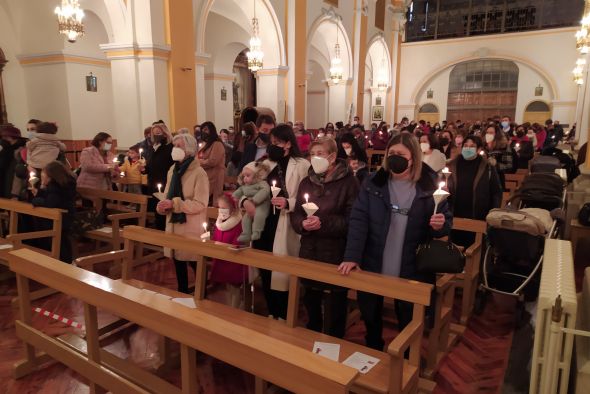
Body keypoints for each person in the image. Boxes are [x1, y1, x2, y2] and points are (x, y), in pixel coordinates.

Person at [338, 133, 452, 350]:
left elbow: (444, 221)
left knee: (408, 316)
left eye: (401, 154)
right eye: (391, 154)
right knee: (371, 312)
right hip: (375, 257)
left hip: (411, 262)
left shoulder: (430, 186)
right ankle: (373, 346)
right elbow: (359, 219)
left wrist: (439, 225)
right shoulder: (373, 182)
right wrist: (352, 256)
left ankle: (407, 357)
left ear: (413, 157)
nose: (394, 158)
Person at [291, 138, 359, 337]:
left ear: (332, 156)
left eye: (320, 153)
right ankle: (312, 337)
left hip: (335, 253)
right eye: (312, 154)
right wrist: (302, 224)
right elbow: (296, 213)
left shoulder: (349, 183)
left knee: (334, 306)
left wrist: (323, 223)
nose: (315, 158)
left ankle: (334, 343)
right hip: (309, 250)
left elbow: (352, 220)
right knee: (310, 301)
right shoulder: (307, 182)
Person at [243, 124, 310, 320]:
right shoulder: (265, 163)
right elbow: (245, 184)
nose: (272, 146)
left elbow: (308, 197)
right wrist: (245, 201)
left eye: (277, 142)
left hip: (285, 222)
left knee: (281, 271)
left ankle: (284, 314)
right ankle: (272, 311)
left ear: (288, 143)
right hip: (264, 222)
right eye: (271, 142)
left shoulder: (302, 165)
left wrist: (288, 202)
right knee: (265, 266)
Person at [156, 134, 209, 294]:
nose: (175, 149)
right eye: (174, 145)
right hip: (173, 223)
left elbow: (201, 204)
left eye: (179, 146)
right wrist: (163, 205)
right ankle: (182, 294)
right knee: (177, 261)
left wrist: (175, 204)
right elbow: (167, 195)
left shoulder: (199, 173)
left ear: (190, 150)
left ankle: (202, 295)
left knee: (194, 261)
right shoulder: (173, 170)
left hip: (190, 225)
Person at [446, 135, 502, 247]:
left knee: (475, 247)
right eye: (465, 146)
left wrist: (492, 213)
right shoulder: (451, 165)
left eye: (472, 146)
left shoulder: (487, 167)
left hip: (479, 215)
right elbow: (443, 186)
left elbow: (496, 192)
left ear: (479, 149)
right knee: (453, 247)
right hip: (454, 213)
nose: (467, 148)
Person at [30, 161, 76, 263]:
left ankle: (65, 264)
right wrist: (40, 191)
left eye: (44, 175)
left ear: (51, 176)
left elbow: (50, 203)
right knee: (63, 241)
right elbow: (51, 198)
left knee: (61, 243)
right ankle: (66, 263)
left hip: (61, 219)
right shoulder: (62, 183)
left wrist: (36, 200)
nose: (42, 177)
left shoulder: (55, 186)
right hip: (64, 217)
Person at [209, 193, 247, 308]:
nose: (221, 210)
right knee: (227, 286)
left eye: (224, 208)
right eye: (219, 207)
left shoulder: (237, 222)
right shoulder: (220, 222)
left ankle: (234, 309)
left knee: (234, 287)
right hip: (222, 258)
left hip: (233, 261)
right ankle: (229, 307)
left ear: (233, 208)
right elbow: (216, 237)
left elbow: (239, 241)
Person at [232, 161, 270, 243]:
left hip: (262, 204)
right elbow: (240, 190)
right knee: (245, 219)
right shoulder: (245, 186)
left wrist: (255, 200)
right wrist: (235, 196)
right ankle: (246, 234)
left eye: (248, 175)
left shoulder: (262, 183)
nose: (245, 178)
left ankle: (257, 232)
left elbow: (265, 191)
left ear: (256, 175)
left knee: (259, 215)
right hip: (249, 204)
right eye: (244, 176)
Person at [145, 123, 174, 230]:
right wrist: (145, 169)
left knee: (163, 211)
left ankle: (165, 236)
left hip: (165, 183)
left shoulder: (170, 147)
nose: (156, 135)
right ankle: (159, 236)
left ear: (165, 133)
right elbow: (151, 165)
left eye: (158, 132)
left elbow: (171, 166)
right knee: (156, 211)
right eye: (154, 133)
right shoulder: (153, 148)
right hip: (153, 184)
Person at [198, 121, 226, 205]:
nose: (204, 132)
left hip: (215, 176)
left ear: (212, 130)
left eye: (206, 130)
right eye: (202, 130)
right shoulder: (204, 144)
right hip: (206, 176)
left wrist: (199, 162)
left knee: (214, 202)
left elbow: (212, 161)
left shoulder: (217, 144)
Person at [0, 124, 27, 199]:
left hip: (14, 182)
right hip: (5, 179)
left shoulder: (21, 149)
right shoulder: (5, 148)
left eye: (5, 137)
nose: (3, 139)